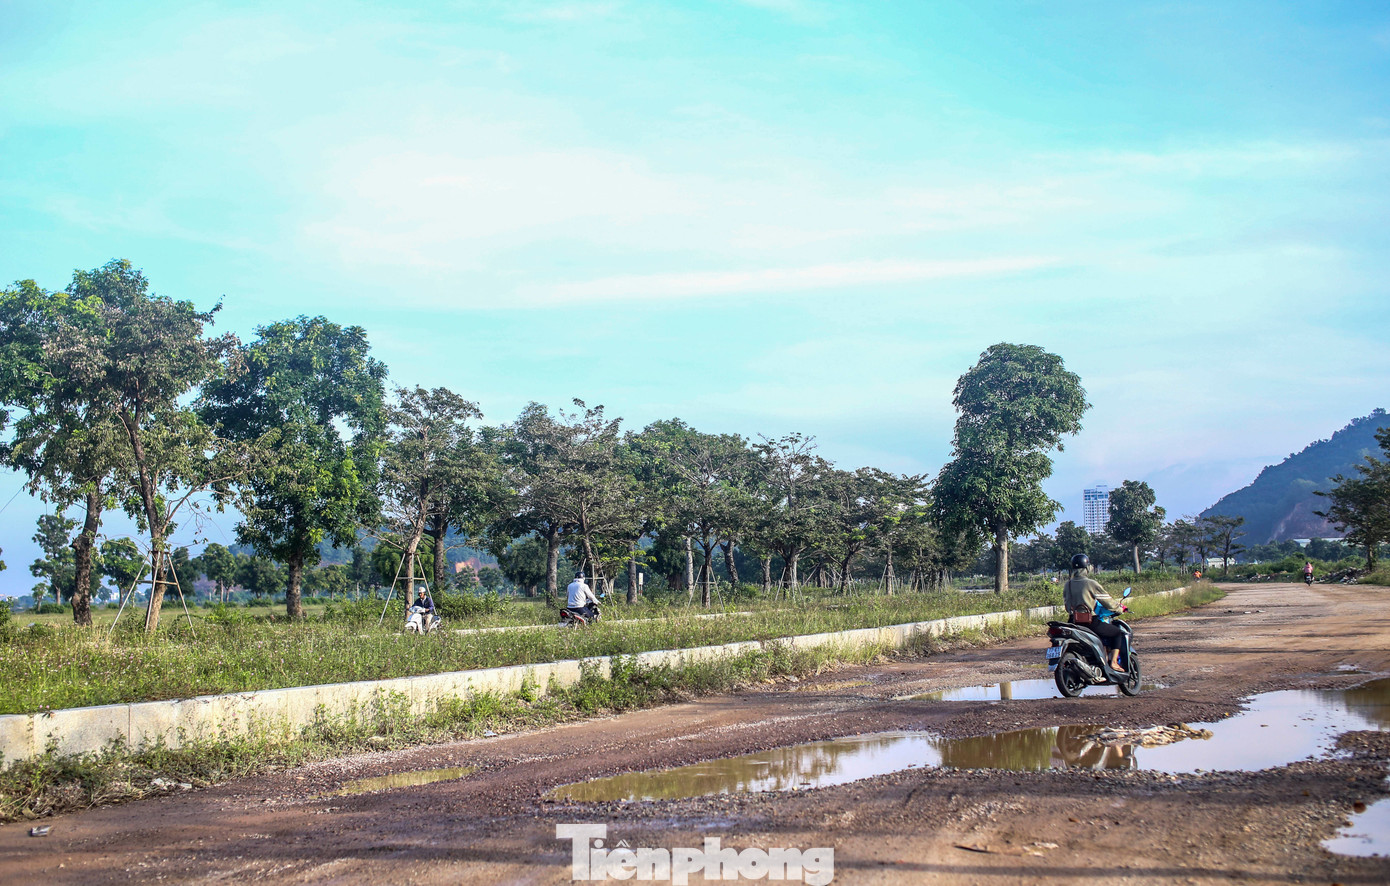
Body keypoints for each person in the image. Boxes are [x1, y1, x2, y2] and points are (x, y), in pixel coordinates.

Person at [1063, 553, 1127, 672]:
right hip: (1090, 622)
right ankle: (1113, 663)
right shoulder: (1091, 583)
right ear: (1087, 568)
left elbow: (1067, 606)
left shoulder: (1068, 584)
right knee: (1118, 633)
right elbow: (1107, 602)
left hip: (1073, 622)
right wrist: (1119, 609)